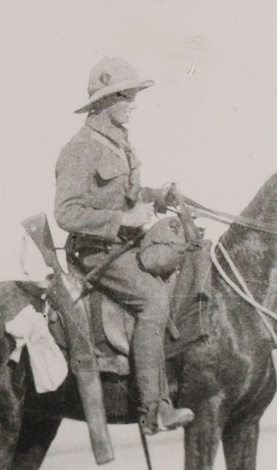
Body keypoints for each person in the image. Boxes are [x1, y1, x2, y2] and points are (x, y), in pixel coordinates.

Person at [54, 57, 194, 434]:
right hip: (96, 252)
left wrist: (157, 196)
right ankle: (154, 408)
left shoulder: (119, 143)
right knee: (153, 300)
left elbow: (126, 196)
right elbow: (65, 213)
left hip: (124, 245)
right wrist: (122, 221)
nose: (134, 104)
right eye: (128, 97)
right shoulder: (80, 148)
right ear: (108, 100)